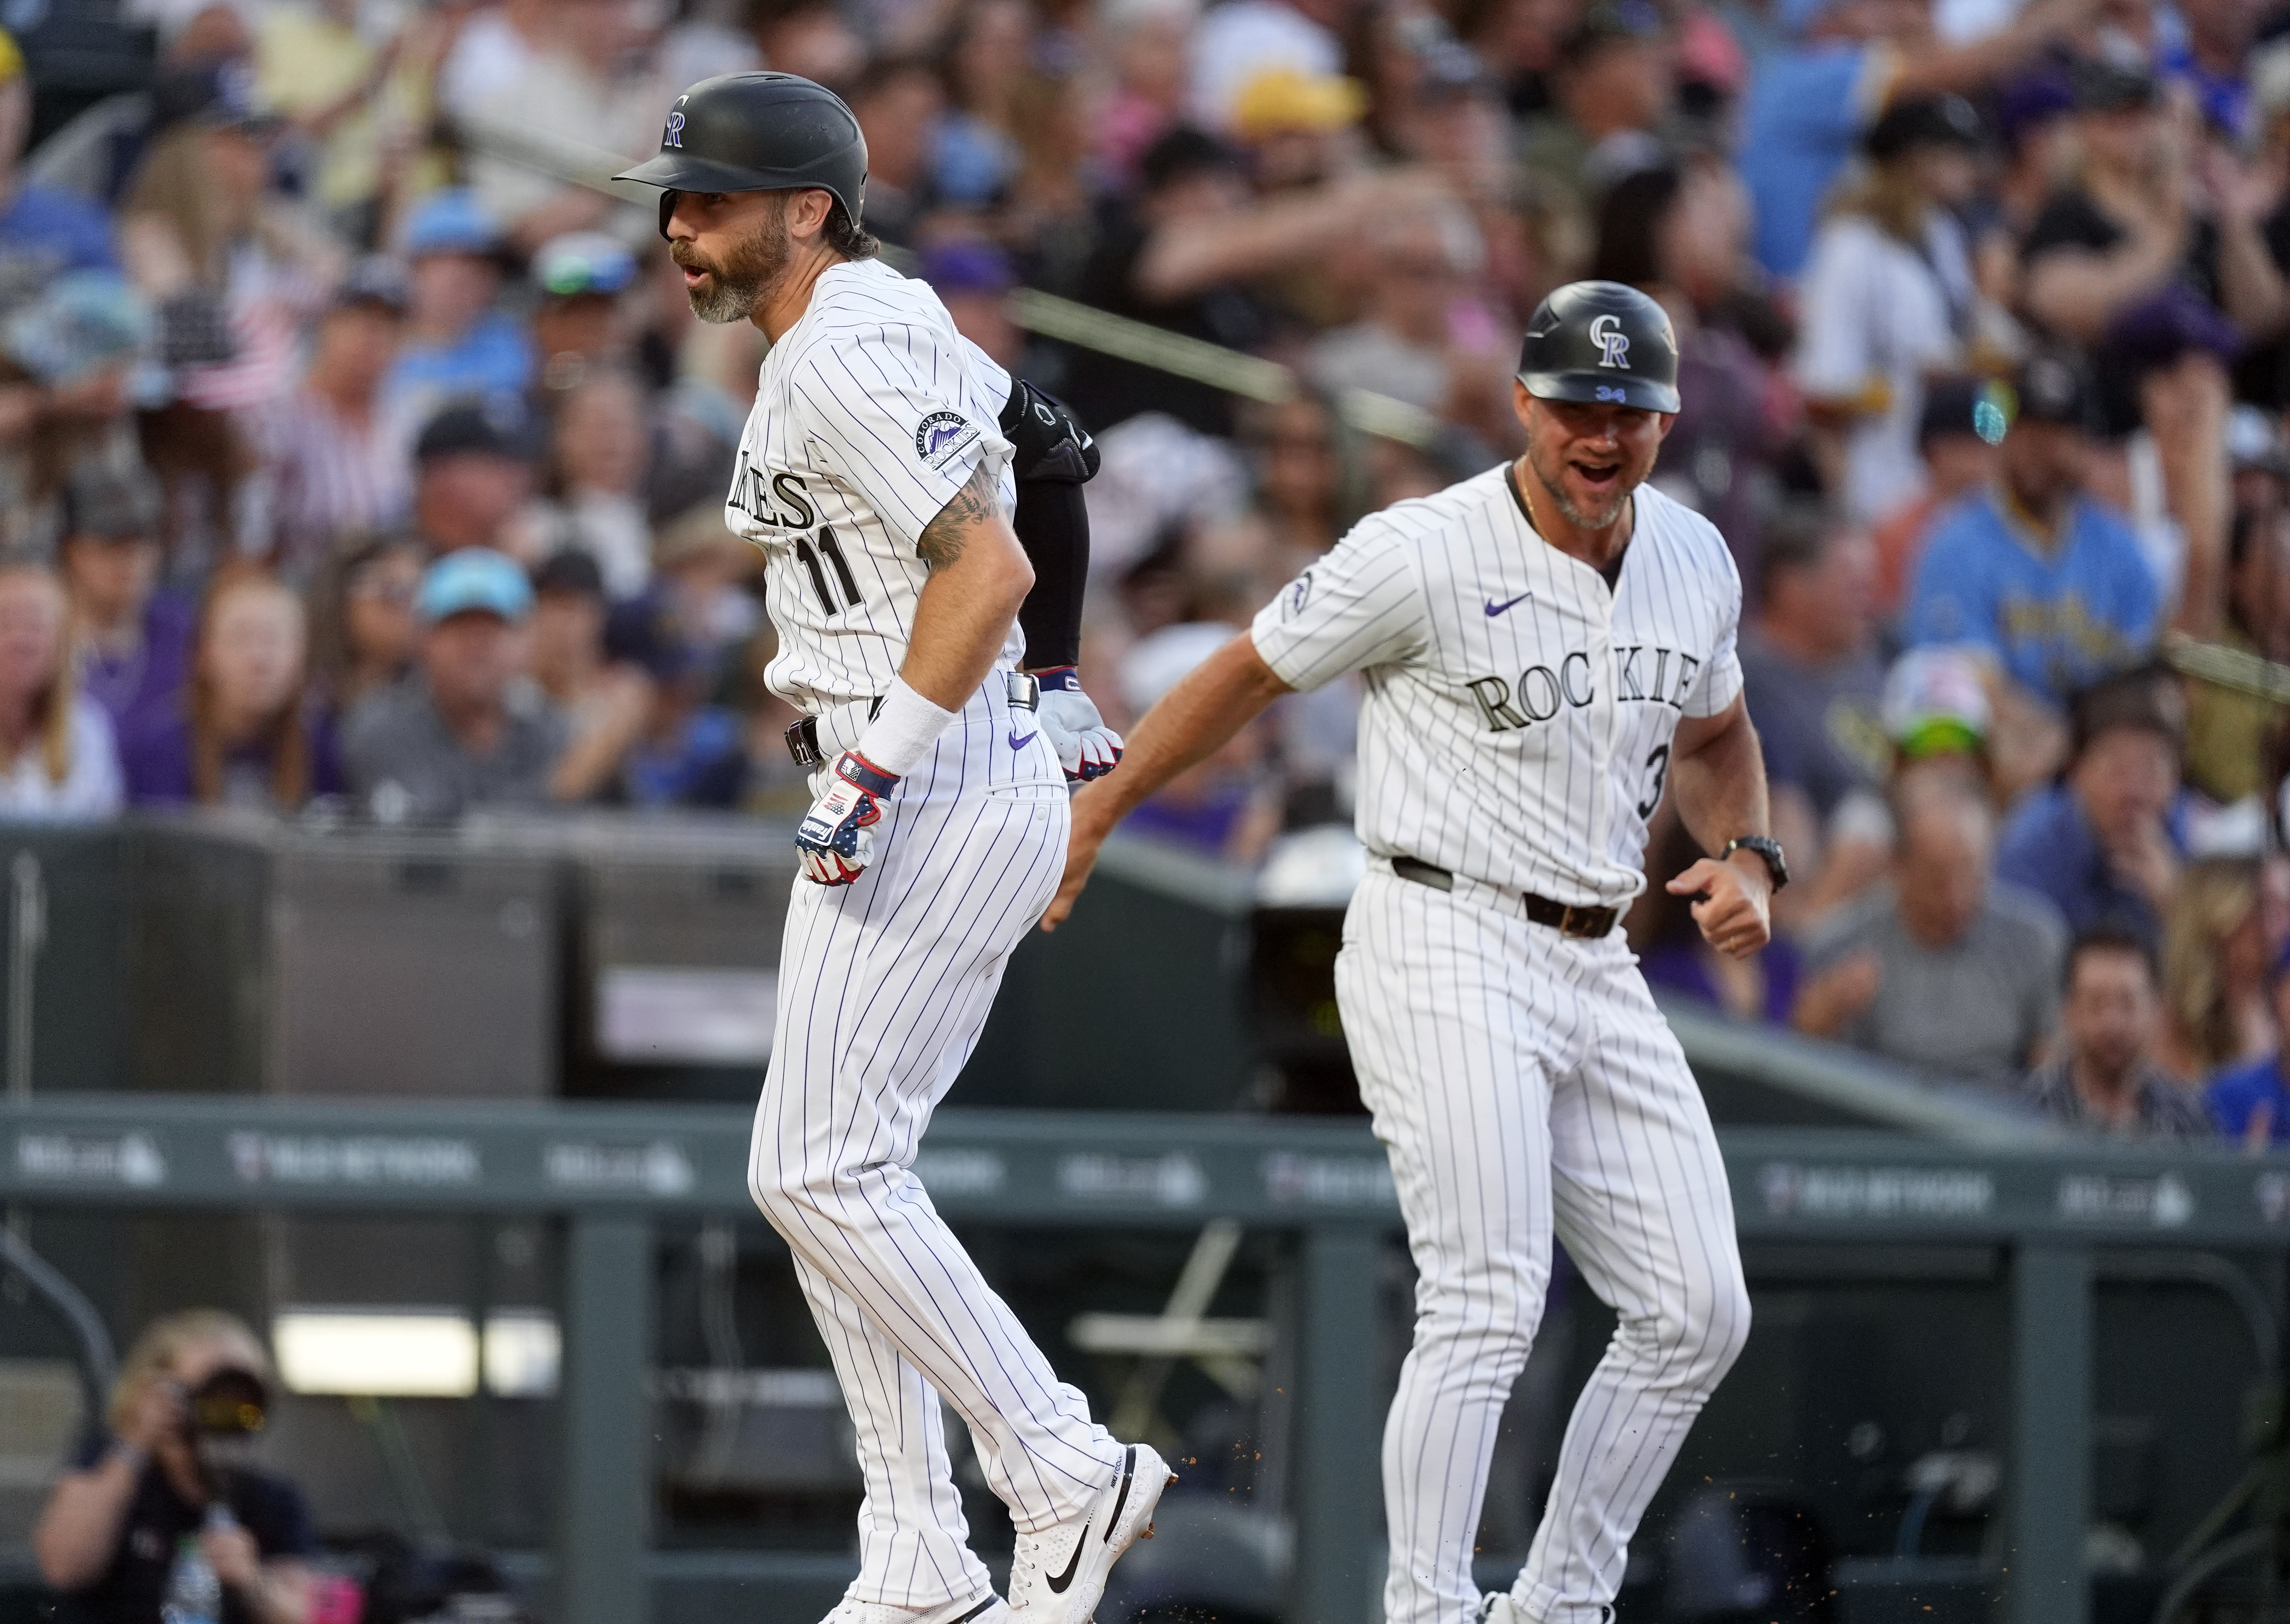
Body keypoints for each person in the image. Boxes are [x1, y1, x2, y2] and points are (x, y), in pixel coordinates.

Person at [1050, 281, 1766, 1624]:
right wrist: (1099, 811)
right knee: (1489, 1293)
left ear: (1665, 420)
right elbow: (1247, 671)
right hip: (1441, 927)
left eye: (1627, 410)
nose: (1598, 436)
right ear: (1522, 406)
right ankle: (1429, 1608)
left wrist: (1751, 856)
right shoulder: (1423, 549)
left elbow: (1719, 737)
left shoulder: (1696, 559)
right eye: (1574, 407)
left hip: (1595, 950)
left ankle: (1561, 1600)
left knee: (1698, 1311)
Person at [614, 72, 1155, 1624]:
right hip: (946, 754)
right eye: (674, 198)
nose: (679, 227)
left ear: (804, 209)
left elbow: (982, 561)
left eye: (709, 199)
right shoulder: (880, 314)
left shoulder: (844, 344)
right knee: (842, 1167)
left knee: (812, 1167)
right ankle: (916, 1544)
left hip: (920, 768)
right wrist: (1053, 677)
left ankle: (1060, 1462)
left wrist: (880, 763)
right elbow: (1050, 448)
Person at [1904, 349, 2160, 709]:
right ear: (2001, 440)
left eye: (2054, 434)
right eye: (2024, 432)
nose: (2037, 449)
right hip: (1996, 751)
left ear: (2082, 446)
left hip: (2101, 740)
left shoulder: (2121, 548)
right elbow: (1957, 682)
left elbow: (2141, 671)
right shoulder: (1953, 545)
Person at [33, 1309, 314, 1624]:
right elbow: (64, 1569)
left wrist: (253, 1583)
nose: (227, 1409)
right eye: (213, 1393)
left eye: (243, 1396)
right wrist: (137, 1439)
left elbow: (300, 1612)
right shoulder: (109, 1469)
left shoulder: (268, 1498)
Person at [1796, 769, 2065, 1087]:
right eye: (1936, 881)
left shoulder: (2034, 940)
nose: (1956, 897)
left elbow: (2053, 1071)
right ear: (1898, 867)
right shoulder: (1840, 945)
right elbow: (1808, 1072)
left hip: (2000, 1118)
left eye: (1972, 874)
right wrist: (1823, 1017)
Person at [1792, 94, 1986, 527]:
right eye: (1954, 152)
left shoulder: (1942, 235)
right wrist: (1846, 509)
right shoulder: (1851, 246)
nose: (1970, 165)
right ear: (1916, 161)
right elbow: (1822, 392)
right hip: (1877, 487)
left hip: (1947, 482)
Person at [341, 548, 568, 823]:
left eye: (493, 629)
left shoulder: (550, 730)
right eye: (458, 627)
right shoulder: (381, 728)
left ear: (525, 642)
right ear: (423, 639)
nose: (477, 646)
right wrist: (570, 780)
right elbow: (431, 835)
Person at [1995, 665, 2189, 949]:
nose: (2133, 793)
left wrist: (2175, 905)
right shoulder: (2027, 847)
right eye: (2118, 770)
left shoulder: (2194, 838)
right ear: (2076, 770)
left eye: (2151, 771)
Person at [120, 570, 337, 810]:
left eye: (274, 639)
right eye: (241, 638)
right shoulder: (156, 749)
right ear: (203, 653)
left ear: (303, 653)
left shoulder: (321, 749)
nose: (260, 660)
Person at [260, 257, 411, 581]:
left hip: (378, 593)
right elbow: (255, 538)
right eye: (355, 319)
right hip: (302, 588)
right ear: (326, 324)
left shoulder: (405, 419)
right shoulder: (282, 415)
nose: (369, 336)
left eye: (385, 325)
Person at [2024, 927, 2212, 1138]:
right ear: (2069, 1012)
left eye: (2127, 1004)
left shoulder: (2188, 1118)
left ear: (2156, 1008)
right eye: (2096, 1004)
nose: (2112, 1024)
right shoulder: (2024, 1112)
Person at [56, 462, 194, 749]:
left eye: (143, 540)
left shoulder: (184, 631)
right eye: (112, 544)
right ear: (71, 549)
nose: (131, 560)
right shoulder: (40, 636)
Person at [0, 560, 122, 820]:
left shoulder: (89, 731)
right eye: (6, 624)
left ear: (64, 642)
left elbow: (104, 843)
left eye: (35, 626)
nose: (21, 641)